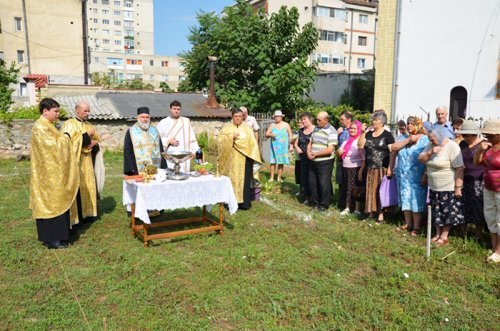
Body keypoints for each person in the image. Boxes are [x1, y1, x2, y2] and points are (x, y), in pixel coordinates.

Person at [29, 98, 84, 249]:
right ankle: (53, 240)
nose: (58, 114)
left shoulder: (48, 125)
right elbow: (53, 148)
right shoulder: (40, 127)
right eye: (56, 111)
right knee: (52, 204)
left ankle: (60, 236)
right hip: (48, 174)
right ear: (45, 111)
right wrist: (66, 137)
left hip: (52, 171)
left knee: (57, 201)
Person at [418, 125, 464, 247]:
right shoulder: (431, 145)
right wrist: (430, 152)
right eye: (429, 138)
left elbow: (460, 168)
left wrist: (458, 187)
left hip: (447, 185)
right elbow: (421, 159)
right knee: (436, 211)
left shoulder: (452, 146)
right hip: (433, 186)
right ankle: (437, 234)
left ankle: (444, 236)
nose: (430, 141)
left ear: (440, 136)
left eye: (432, 139)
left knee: (447, 212)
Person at [61, 101, 101, 226]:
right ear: (77, 111)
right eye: (85, 111)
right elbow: (67, 143)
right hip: (76, 162)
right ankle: (77, 216)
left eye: (89, 111)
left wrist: (95, 144)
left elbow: (96, 140)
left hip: (88, 161)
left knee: (88, 186)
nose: (87, 113)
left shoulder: (89, 124)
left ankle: (88, 214)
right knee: (77, 187)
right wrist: (86, 136)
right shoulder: (69, 124)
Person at [388, 117, 429, 235]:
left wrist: (425, 175)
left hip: (417, 176)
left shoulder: (425, 140)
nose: (409, 126)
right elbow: (393, 149)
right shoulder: (403, 138)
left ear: (418, 125)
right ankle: (408, 223)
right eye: (408, 123)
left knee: (416, 200)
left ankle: (416, 226)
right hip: (403, 175)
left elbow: (428, 158)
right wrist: (408, 140)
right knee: (405, 199)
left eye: (412, 124)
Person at [218, 108, 262, 210]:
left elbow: (252, 144)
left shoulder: (247, 129)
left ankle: (244, 203)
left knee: (245, 181)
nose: (238, 119)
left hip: (245, 159)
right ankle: (230, 203)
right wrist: (230, 137)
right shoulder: (226, 128)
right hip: (231, 160)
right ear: (232, 117)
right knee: (230, 180)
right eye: (236, 116)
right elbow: (220, 142)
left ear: (243, 117)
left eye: (240, 116)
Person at [473, 119, 500, 263]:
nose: (488, 137)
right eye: (487, 135)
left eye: (491, 135)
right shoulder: (488, 147)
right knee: (490, 217)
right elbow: (476, 162)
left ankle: (498, 252)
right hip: (488, 187)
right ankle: (494, 247)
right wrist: (480, 149)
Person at [457, 120, 486, 240]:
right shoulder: (462, 144)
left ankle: (478, 233)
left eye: (466, 135)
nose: (464, 137)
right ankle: (463, 232)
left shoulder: (483, 145)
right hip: (464, 179)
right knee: (464, 206)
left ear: (474, 134)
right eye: (463, 135)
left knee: (478, 207)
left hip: (478, 181)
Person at [307, 111, 338, 212]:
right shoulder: (316, 128)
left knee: (323, 183)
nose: (317, 121)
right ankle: (315, 202)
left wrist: (315, 154)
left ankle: (324, 205)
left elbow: (330, 149)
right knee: (313, 182)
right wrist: (308, 151)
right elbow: (310, 142)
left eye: (319, 120)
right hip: (313, 161)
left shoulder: (332, 131)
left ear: (326, 120)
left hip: (325, 162)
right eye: (317, 119)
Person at [157, 100, 199, 173]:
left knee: (184, 174)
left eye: (178, 109)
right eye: (174, 109)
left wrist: (194, 150)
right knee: (170, 173)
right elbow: (157, 138)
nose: (176, 111)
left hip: (184, 153)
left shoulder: (186, 121)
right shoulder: (163, 122)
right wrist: (168, 141)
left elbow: (192, 137)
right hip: (170, 153)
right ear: (170, 109)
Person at [124, 107, 167, 176]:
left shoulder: (155, 131)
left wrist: (163, 166)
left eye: (147, 117)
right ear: (138, 118)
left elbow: (160, 148)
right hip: (137, 168)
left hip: (155, 166)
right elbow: (127, 151)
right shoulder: (131, 132)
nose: (145, 119)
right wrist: (129, 169)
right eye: (142, 117)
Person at [337, 120, 364, 217]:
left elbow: (363, 158)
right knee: (346, 188)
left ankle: (357, 209)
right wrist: (338, 153)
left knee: (355, 188)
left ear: (359, 129)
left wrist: (360, 171)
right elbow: (339, 154)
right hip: (345, 167)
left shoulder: (359, 141)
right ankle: (347, 207)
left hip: (355, 168)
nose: (352, 130)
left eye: (354, 128)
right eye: (351, 128)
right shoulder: (347, 141)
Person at [265, 110, 292, 183]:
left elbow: (290, 135)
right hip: (274, 147)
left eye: (278, 116)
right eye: (276, 116)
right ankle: (271, 177)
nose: (277, 118)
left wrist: (291, 145)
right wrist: (270, 135)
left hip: (283, 148)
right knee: (273, 162)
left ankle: (279, 178)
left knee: (281, 162)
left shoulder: (286, 125)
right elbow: (266, 134)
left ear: (281, 117)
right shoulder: (272, 125)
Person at [294, 112, 315, 203]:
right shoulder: (301, 131)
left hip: (312, 157)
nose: (303, 121)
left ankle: (313, 196)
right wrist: (297, 148)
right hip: (302, 157)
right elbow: (296, 142)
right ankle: (306, 196)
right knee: (304, 176)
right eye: (302, 119)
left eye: (304, 119)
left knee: (312, 177)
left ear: (310, 119)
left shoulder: (316, 130)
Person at [336, 111, 353, 209]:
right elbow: (337, 144)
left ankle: (349, 202)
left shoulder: (353, 130)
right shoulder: (341, 131)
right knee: (341, 181)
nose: (340, 121)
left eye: (342, 119)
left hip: (350, 161)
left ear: (348, 120)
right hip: (340, 159)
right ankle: (341, 201)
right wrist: (337, 134)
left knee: (349, 182)